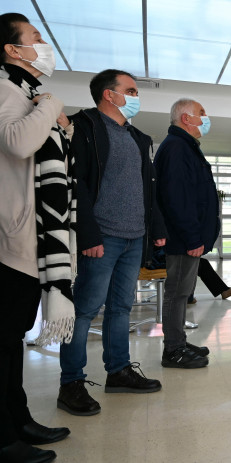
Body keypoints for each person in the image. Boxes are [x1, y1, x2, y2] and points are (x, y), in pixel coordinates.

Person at [58, 69, 166, 416]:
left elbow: (148, 187)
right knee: (84, 310)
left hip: (134, 236)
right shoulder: (84, 128)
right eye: (131, 90)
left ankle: (118, 370)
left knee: (121, 308)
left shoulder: (138, 137)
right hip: (101, 236)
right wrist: (88, 234)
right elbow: (77, 184)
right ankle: (71, 383)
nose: (136, 96)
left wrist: (156, 228)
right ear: (109, 94)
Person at [0, 12, 71, 463]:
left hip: (32, 240)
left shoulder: (26, 92)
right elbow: (18, 142)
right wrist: (51, 106)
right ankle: (4, 437)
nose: (42, 44)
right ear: (12, 49)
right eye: (35, 37)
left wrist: (56, 119)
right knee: (4, 340)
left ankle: (18, 418)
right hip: (14, 238)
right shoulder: (6, 88)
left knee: (13, 339)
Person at [154, 98, 219, 369]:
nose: (206, 117)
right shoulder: (177, 148)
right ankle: (173, 349)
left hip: (188, 237)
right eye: (201, 113)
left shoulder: (185, 147)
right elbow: (177, 199)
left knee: (182, 292)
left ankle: (178, 340)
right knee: (177, 293)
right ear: (186, 119)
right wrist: (193, 237)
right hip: (183, 239)